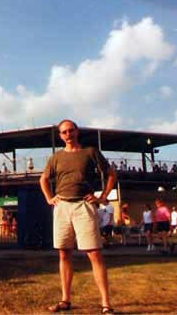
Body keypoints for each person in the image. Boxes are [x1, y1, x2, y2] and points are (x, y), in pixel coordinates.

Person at [40, 119, 116, 314]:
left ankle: (106, 304)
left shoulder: (90, 152)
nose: (68, 134)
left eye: (71, 130)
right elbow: (43, 179)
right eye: (64, 132)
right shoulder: (55, 157)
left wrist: (103, 196)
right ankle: (65, 300)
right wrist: (50, 198)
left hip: (84, 206)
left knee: (94, 254)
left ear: (77, 131)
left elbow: (110, 173)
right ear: (60, 136)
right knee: (64, 254)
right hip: (62, 206)